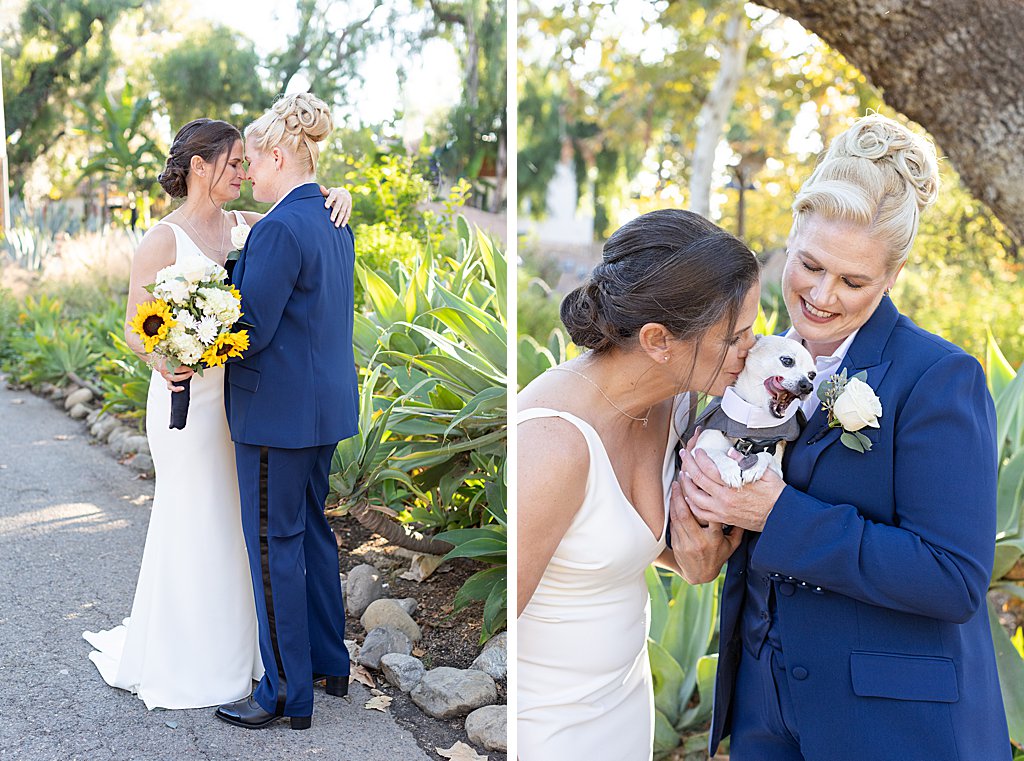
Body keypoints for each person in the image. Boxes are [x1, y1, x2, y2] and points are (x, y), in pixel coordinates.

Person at [678, 114, 1012, 760]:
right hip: (764, 713)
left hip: (894, 728)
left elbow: (953, 577)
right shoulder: (748, 361)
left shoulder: (939, 378)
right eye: (809, 264)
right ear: (792, 235)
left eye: (853, 281)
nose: (822, 295)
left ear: (893, 275)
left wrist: (779, 514)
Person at [82, 117, 352, 710]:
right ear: (199, 167)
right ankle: (190, 653)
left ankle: (247, 653)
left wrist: (338, 194)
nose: (242, 173)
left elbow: (299, 215)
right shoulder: (162, 239)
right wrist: (163, 357)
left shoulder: (246, 226)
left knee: (241, 526)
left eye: (244, 163)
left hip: (244, 398)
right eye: (232, 164)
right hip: (187, 399)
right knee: (196, 516)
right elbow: (136, 326)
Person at [517, 209, 761, 760]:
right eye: (734, 337)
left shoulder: (678, 402)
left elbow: (610, 545)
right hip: (546, 727)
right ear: (657, 340)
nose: (753, 347)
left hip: (626, 707)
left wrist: (693, 554)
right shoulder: (552, 444)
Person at [214, 93, 357, 731]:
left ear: (277, 156)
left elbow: (249, 329)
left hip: (276, 416)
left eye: (252, 161)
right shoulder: (333, 218)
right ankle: (328, 663)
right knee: (312, 533)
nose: (248, 173)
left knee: (275, 547)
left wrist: (197, 329)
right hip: (323, 411)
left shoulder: (278, 229)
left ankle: (284, 693)